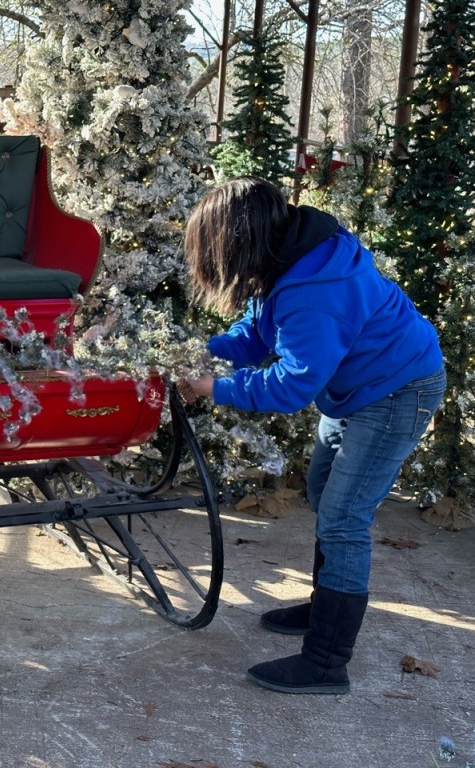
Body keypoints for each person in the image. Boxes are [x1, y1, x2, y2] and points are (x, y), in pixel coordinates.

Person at [177, 176, 445, 694]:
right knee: (324, 493)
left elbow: (293, 383)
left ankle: (325, 663)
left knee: (344, 517)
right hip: (357, 386)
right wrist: (200, 354)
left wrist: (215, 387)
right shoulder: (285, 256)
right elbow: (256, 336)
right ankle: (327, 603)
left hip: (397, 389)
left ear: (237, 242)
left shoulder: (313, 290)